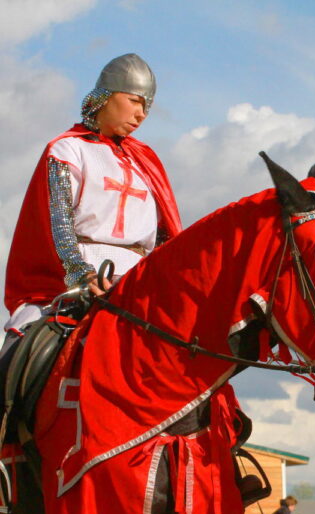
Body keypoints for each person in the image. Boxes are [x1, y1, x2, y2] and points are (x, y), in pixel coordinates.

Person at [3, 53, 182, 345]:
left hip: (140, 280)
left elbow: (164, 237)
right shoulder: (68, 149)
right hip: (81, 276)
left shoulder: (145, 162)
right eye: (135, 101)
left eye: (147, 107)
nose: (141, 114)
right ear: (106, 96)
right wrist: (80, 274)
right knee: (24, 348)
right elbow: (57, 221)